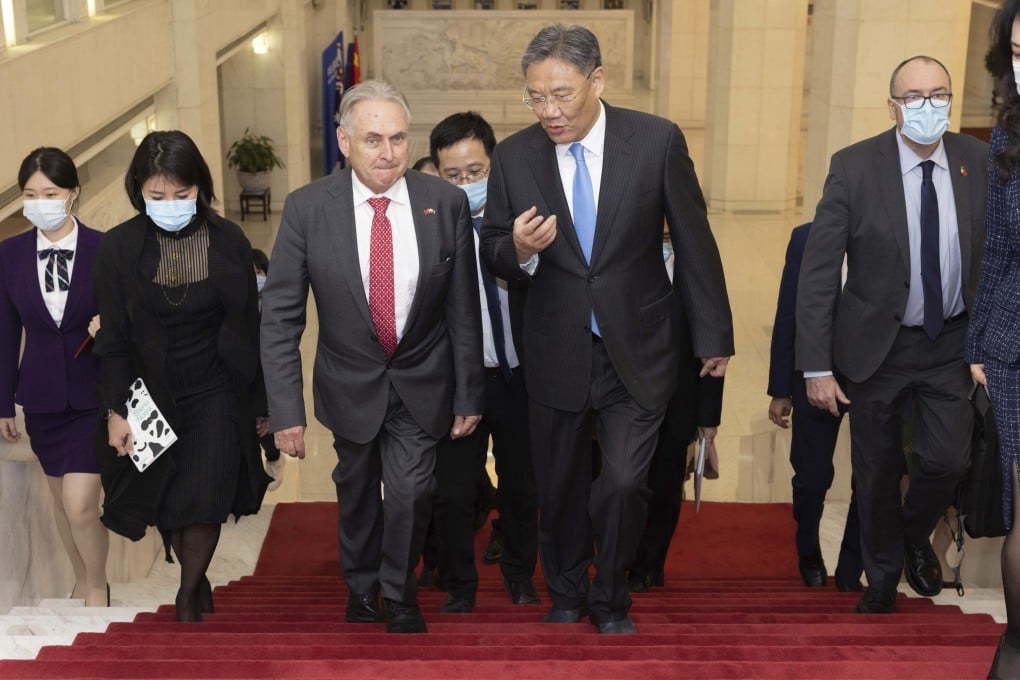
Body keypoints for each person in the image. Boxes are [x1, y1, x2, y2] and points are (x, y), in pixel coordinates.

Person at [479, 25, 733, 634]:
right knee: (561, 484)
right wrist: (519, 248)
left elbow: (695, 243)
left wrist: (714, 336)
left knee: (622, 482)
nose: (550, 111)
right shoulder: (515, 157)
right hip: (556, 345)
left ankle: (611, 590)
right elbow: (492, 250)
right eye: (536, 97)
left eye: (562, 94)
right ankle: (565, 590)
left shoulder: (654, 142)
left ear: (598, 80)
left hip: (639, 346)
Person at [260, 80, 484, 634]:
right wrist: (286, 411)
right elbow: (281, 316)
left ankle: (398, 592)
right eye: (373, 139)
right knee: (357, 492)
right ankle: (362, 587)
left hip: (422, 380)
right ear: (344, 141)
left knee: (410, 492)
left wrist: (468, 392)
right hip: (348, 382)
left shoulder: (444, 202)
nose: (388, 152)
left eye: (399, 138)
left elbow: (462, 310)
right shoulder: (308, 209)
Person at [796, 56, 988, 614]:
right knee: (876, 472)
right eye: (914, 97)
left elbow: (999, 259)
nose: (927, 107)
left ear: (952, 100)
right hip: (876, 348)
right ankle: (881, 581)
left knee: (947, 460)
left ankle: (909, 534)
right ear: (893, 106)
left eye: (939, 95)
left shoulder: (977, 161)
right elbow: (819, 270)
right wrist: (815, 366)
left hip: (951, 343)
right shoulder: (854, 167)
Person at [93, 130, 271, 623]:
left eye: (182, 194)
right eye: (157, 196)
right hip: (149, 396)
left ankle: (187, 595)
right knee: (170, 504)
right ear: (139, 192)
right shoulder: (118, 249)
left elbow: (249, 328)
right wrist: (116, 411)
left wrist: (262, 406)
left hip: (215, 390)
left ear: (200, 188)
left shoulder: (228, 241)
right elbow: (113, 340)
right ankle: (196, 576)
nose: (170, 204)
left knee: (205, 498)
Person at [428, 111, 540, 613]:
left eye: (476, 172)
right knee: (453, 493)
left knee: (522, 488)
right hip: (460, 385)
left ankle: (519, 576)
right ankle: (460, 585)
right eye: (453, 176)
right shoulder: (430, 230)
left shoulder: (525, 219)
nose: (466, 184)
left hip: (521, 380)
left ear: (495, 165)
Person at [0, 147, 109, 607]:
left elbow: (134, 321)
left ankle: (98, 586)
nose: (39, 201)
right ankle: (81, 582)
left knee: (81, 504)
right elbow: (6, 332)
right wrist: (3, 403)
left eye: (50, 192)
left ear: (73, 193)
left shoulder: (105, 249)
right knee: (62, 508)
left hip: (93, 395)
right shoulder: (9, 254)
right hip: (42, 398)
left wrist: (111, 329)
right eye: (30, 193)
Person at [967, 3, 1020, 675]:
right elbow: (999, 253)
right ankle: (1014, 650)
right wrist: (978, 345)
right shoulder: (1009, 136)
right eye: (1016, 50)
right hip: (1015, 350)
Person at [768, 223, 863, 592]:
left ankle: (853, 564)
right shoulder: (807, 237)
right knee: (812, 475)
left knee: (869, 477)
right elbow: (788, 311)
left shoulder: (890, 232)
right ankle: (807, 548)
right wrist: (781, 389)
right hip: (814, 372)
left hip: (874, 375)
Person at [627, 232, 724, 593]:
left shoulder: (700, 261)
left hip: (679, 396)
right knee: (625, 482)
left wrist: (708, 419)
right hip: (626, 394)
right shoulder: (625, 251)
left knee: (666, 487)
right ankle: (620, 555)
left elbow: (716, 341)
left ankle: (649, 564)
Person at [252, 248, 284, 492]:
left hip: (267, 377)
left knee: (265, 430)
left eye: (259, 272)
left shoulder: (275, 308)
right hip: (245, 377)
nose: (255, 278)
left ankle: (273, 456)